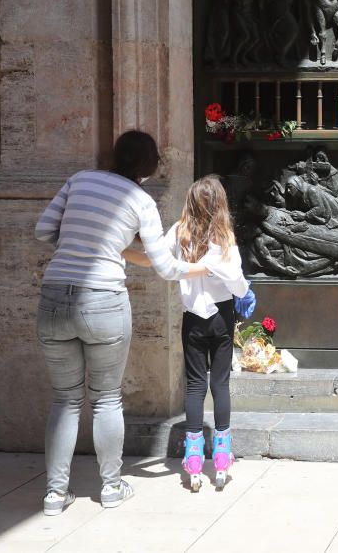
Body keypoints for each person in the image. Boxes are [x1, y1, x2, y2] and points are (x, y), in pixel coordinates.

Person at [34, 130, 217, 516]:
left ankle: (54, 495)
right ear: (149, 167)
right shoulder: (141, 200)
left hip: (53, 296)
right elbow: (165, 267)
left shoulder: (79, 180)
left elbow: (43, 231)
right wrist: (201, 268)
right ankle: (112, 486)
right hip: (104, 300)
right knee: (106, 398)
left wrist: (80, 249)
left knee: (65, 399)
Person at [125, 175, 256, 492]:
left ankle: (194, 457)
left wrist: (123, 252)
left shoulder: (179, 233)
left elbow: (154, 259)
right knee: (220, 383)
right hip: (221, 319)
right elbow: (237, 282)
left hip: (193, 321)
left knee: (196, 385)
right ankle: (222, 455)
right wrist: (246, 293)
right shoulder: (224, 239)